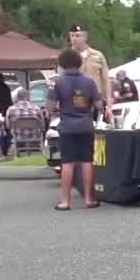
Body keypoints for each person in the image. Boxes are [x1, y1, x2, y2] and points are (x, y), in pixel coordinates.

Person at [48, 49, 103, 209]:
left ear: (62, 64)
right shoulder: (89, 81)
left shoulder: (58, 82)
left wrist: (59, 110)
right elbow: (99, 104)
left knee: (67, 163)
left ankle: (65, 201)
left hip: (67, 126)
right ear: (79, 63)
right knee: (87, 161)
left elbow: (50, 106)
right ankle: (88, 199)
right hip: (86, 125)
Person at [68, 25, 113, 124]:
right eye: (72, 36)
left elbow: (106, 80)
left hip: (96, 98)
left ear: (85, 37)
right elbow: (61, 80)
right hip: (76, 99)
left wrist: (109, 104)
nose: (74, 39)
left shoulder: (98, 55)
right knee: (81, 130)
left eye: (77, 35)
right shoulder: (67, 56)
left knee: (99, 132)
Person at [5, 88, 47, 155]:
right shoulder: (37, 108)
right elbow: (43, 125)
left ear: (17, 97)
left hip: (18, 136)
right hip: (34, 136)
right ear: (28, 97)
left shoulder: (10, 109)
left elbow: (7, 126)